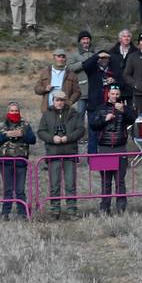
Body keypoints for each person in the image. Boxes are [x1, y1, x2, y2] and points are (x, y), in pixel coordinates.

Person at [35, 89, 84, 218]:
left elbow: (81, 130)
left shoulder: (74, 114)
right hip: (54, 154)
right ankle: (55, 210)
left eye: (62, 100)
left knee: (70, 183)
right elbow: (41, 131)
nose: (60, 103)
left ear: (65, 101)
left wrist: (69, 137)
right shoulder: (46, 115)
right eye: (57, 100)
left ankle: (72, 210)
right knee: (54, 183)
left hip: (70, 153)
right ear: (53, 101)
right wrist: (52, 138)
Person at [88, 85, 134, 214]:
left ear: (119, 95)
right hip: (104, 148)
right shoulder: (101, 108)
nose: (114, 96)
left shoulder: (124, 107)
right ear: (108, 95)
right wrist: (104, 119)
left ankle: (121, 208)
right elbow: (93, 125)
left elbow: (132, 119)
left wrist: (124, 110)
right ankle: (105, 207)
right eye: (112, 93)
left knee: (120, 180)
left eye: (117, 94)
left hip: (120, 147)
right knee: (106, 181)